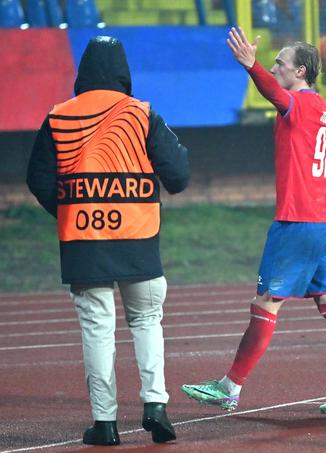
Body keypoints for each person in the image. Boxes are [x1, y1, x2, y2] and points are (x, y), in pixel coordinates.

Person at [180, 27, 326, 415]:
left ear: (300, 71)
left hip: (297, 222)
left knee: (266, 304)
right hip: (324, 222)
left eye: (280, 63)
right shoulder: (322, 107)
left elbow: (274, 94)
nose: (274, 67)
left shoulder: (299, 104)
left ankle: (229, 387)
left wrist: (251, 67)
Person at [26, 36, 190, 445]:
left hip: (85, 245)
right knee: (147, 322)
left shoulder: (59, 116)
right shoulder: (142, 114)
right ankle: (155, 405)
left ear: (83, 72)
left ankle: (105, 424)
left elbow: (38, 179)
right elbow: (179, 177)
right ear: (123, 72)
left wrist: (71, 213)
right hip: (139, 239)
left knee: (97, 331)